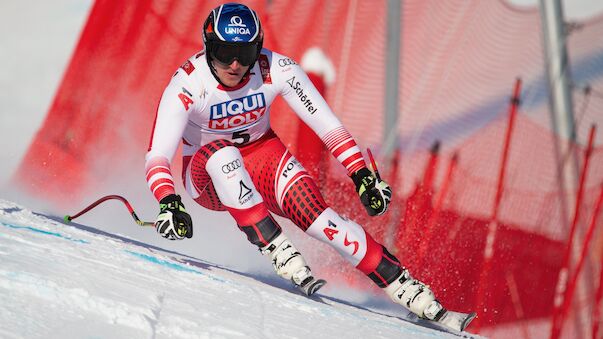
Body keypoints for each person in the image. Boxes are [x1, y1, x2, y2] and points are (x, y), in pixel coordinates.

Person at [145, 2, 474, 332]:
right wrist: (168, 202)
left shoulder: (275, 68)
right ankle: (276, 246)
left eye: (244, 54)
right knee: (224, 156)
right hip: (207, 176)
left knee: (324, 221)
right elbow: (157, 155)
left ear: (257, 50)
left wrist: (361, 173)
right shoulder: (187, 85)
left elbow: (326, 124)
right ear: (207, 48)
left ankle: (410, 290)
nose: (234, 64)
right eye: (223, 52)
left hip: (263, 157)